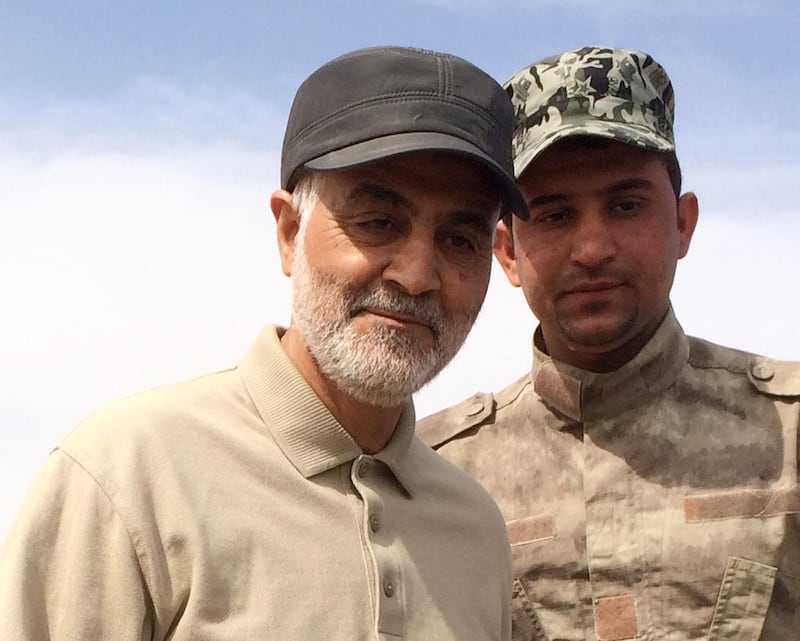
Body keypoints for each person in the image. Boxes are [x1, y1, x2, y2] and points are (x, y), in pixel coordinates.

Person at [0, 46, 529, 640]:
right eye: (379, 223)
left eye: (460, 240)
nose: (416, 274)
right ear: (289, 233)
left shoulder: (476, 532)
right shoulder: (126, 476)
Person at [418, 46, 800, 641]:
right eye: (554, 215)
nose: (592, 248)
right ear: (509, 253)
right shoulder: (436, 475)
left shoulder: (791, 435)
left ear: (683, 225)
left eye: (626, 206)